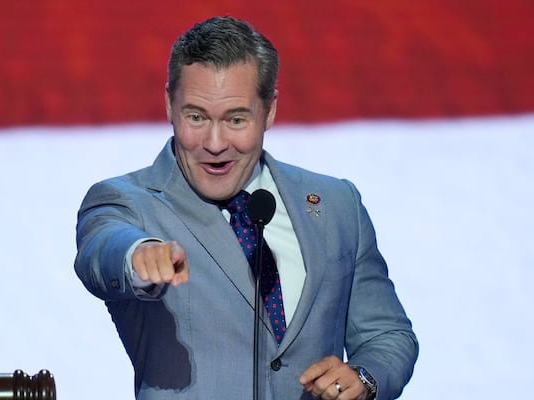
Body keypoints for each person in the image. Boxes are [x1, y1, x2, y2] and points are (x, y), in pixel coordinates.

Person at [74, 16, 418, 400]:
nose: (215, 142)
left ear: (269, 110)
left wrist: (364, 378)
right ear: (170, 103)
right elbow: (101, 250)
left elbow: (387, 335)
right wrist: (137, 255)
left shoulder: (336, 204)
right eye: (196, 117)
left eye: (236, 119)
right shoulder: (128, 201)